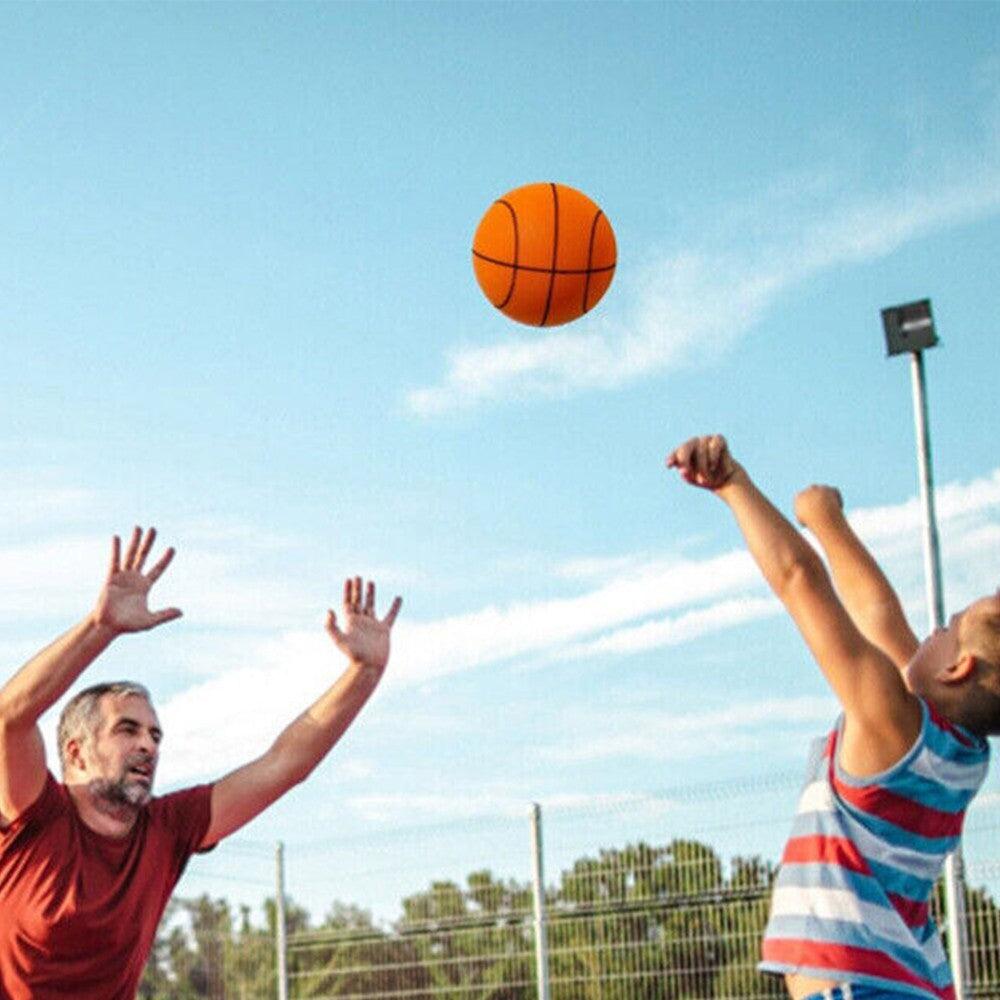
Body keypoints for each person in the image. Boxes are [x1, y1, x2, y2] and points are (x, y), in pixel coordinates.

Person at [0, 526, 401, 1000]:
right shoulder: (38, 815)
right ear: (75, 752)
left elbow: (284, 764)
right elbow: (10, 718)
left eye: (155, 735)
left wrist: (363, 674)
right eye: (128, 730)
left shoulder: (169, 828)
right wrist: (100, 627)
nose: (148, 745)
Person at [666, 435, 999, 1000]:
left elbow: (800, 580)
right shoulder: (960, 754)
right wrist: (828, 522)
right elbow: (880, 617)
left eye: (944, 629)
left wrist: (732, 485)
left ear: (956, 668)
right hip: (907, 985)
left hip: (858, 988)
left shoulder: (893, 723)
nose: (929, 633)